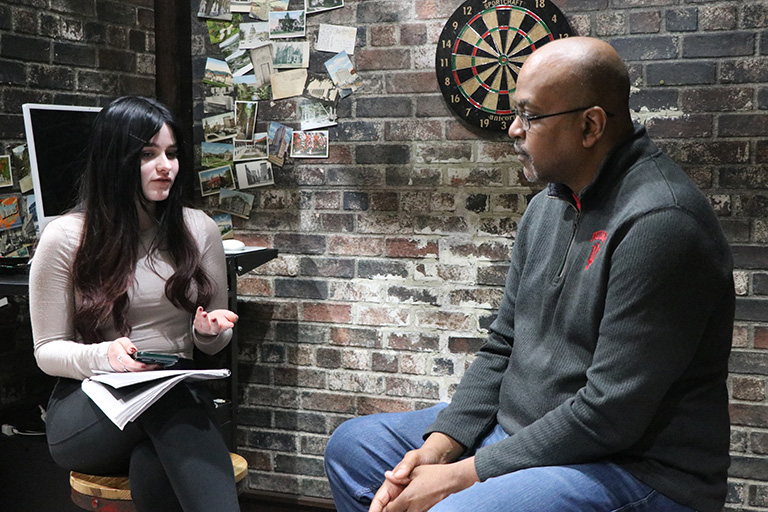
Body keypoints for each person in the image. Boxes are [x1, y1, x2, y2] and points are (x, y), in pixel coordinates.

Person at [324, 36, 735, 512]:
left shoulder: (662, 222)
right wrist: (441, 445)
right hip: (522, 429)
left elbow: (609, 415)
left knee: (457, 509)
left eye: (531, 115)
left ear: (590, 125)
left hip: (633, 466)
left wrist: (460, 476)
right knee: (354, 448)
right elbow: (503, 344)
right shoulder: (548, 206)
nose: (515, 130)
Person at [30, 96, 241, 512]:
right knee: (176, 403)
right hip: (91, 408)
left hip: (170, 396)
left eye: (172, 153)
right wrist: (106, 356)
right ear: (117, 159)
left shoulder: (199, 230)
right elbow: (47, 352)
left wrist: (207, 333)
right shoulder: (66, 237)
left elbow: (215, 342)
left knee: (156, 457)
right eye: (149, 154)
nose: (167, 166)